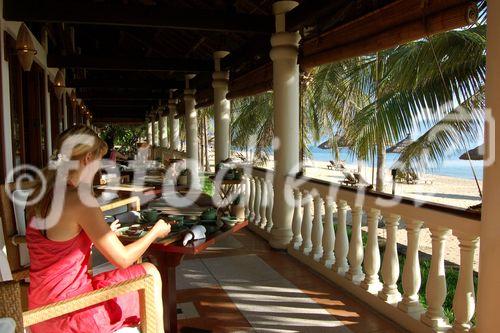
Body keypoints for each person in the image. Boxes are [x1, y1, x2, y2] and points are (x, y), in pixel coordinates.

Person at [25, 125, 170, 333]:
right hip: (68, 314)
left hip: (40, 312)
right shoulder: (79, 200)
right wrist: (155, 231)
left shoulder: (40, 194)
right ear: (88, 158)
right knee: (150, 273)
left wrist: (100, 232)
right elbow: (122, 260)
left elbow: (57, 242)